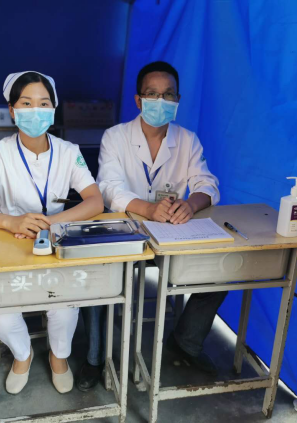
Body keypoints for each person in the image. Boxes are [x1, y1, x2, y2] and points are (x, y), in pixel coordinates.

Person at [77, 61, 225, 391]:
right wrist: (147, 209)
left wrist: (190, 204)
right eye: (152, 94)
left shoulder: (187, 140)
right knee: (95, 274)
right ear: (138, 100)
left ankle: (186, 342)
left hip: (171, 230)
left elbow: (207, 183)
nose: (161, 101)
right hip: (124, 228)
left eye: (168, 94)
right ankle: (95, 357)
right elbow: (108, 187)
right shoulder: (115, 137)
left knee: (218, 271)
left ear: (178, 100)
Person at [0, 71, 104, 395]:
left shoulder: (68, 151)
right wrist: (9, 222)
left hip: (55, 242)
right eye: (26, 103)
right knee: (1, 314)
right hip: (10, 244)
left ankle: (58, 357)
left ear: (53, 110)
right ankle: (22, 355)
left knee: (65, 306)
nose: (36, 110)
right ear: (12, 111)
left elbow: (95, 201)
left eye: (43, 103)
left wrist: (54, 222)